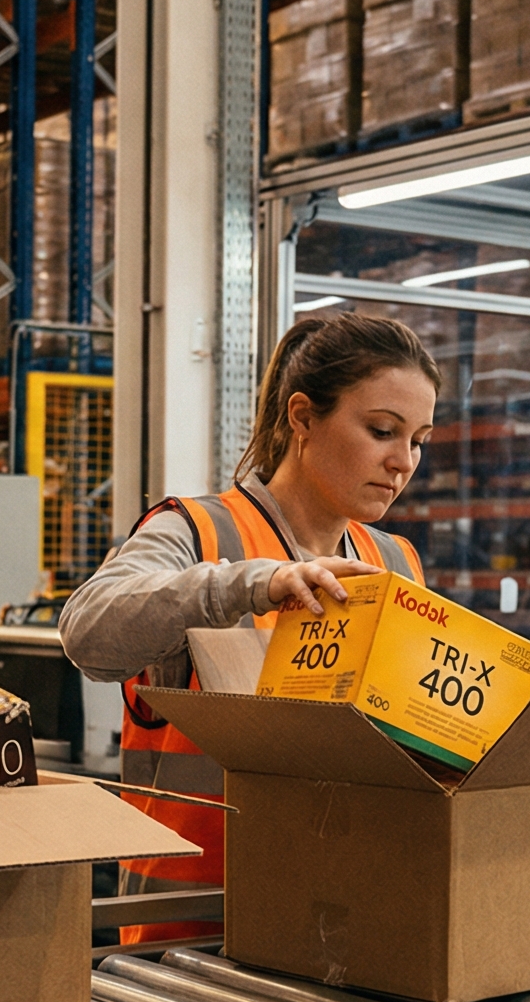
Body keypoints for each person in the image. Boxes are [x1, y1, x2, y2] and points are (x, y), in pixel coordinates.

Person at [61, 312, 437, 939]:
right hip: (190, 939)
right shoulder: (198, 532)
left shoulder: (394, 565)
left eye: (419, 440)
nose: (403, 462)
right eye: (381, 431)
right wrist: (253, 582)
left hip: (342, 925)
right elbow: (88, 631)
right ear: (302, 418)